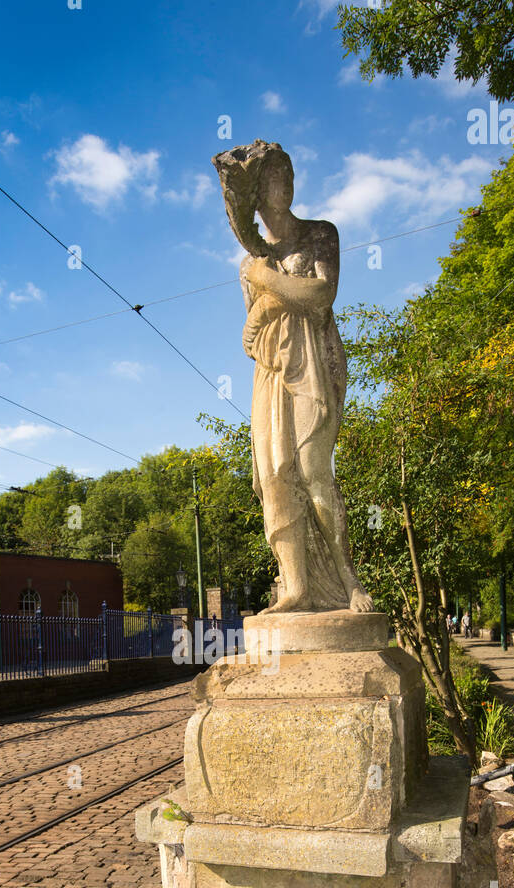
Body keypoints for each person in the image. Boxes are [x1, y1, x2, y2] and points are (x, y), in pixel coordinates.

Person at [212, 140, 373, 614]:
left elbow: (322, 293)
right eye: (275, 177)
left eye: (288, 173)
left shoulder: (320, 234)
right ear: (257, 194)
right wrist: (266, 301)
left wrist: (270, 284)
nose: (287, 183)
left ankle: (349, 583)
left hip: (314, 363)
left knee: (314, 470)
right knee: (276, 475)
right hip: (271, 374)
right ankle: (296, 588)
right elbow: (253, 333)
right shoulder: (249, 265)